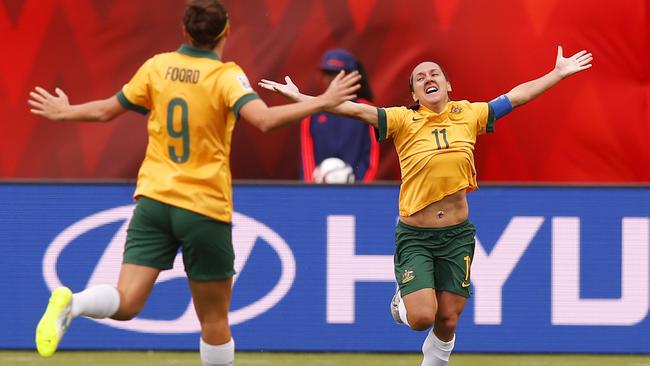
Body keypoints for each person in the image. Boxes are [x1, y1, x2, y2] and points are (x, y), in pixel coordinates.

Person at [27, 0, 360, 364]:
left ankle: (73, 303)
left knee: (127, 301)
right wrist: (323, 101)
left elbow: (108, 110)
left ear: (184, 32)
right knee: (214, 320)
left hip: (153, 202)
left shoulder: (158, 66)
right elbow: (264, 120)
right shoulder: (225, 76)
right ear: (226, 32)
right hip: (203, 207)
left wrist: (65, 111)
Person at [260, 45, 593, 365]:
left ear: (448, 85)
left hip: (458, 235)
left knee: (447, 319)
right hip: (416, 236)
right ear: (414, 95)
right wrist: (303, 99)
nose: (428, 78)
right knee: (422, 318)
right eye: (419, 78)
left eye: (434, 74)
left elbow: (517, 96)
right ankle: (401, 301)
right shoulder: (402, 119)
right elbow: (353, 109)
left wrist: (558, 73)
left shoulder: (470, 113)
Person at [300, 48, 379, 183]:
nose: (331, 79)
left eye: (337, 73)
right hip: (319, 191)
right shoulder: (312, 109)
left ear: (352, 76)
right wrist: (312, 189)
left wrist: (361, 189)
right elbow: (307, 156)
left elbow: (370, 155)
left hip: (356, 193)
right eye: (327, 73)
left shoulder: (367, 109)